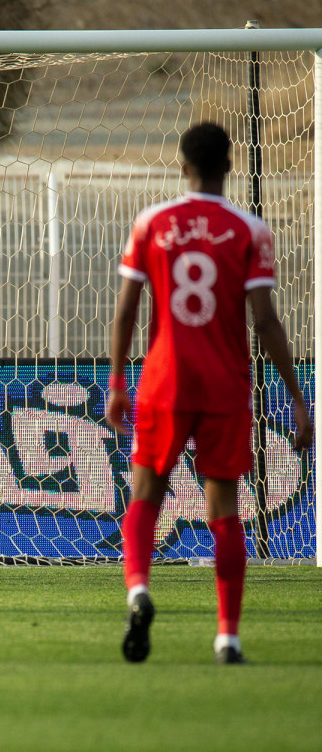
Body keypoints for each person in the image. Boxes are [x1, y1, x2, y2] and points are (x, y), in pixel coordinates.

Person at [107, 121, 312, 665]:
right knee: (224, 507)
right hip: (225, 384)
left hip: (164, 380)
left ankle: (139, 589)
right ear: (229, 164)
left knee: (146, 491)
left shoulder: (152, 222)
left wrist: (116, 382)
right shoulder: (249, 229)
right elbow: (266, 323)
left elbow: (127, 310)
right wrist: (296, 397)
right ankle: (227, 637)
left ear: (182, 165)